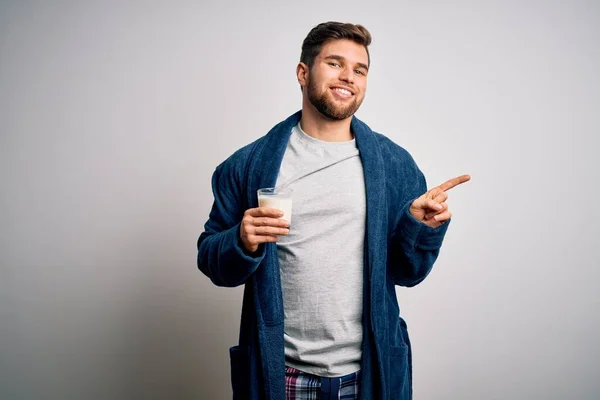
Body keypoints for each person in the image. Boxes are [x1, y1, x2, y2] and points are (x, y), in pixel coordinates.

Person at [197, 21, 470, 400]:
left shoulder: (395, 166)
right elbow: (211, 261)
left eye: (360, 69)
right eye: (335, 63)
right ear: (303, 73)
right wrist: (240, 240)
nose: (349, 77)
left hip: (368, 374)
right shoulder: (248, 165)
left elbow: (409, 274)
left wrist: (418, 228)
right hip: (284, 373)